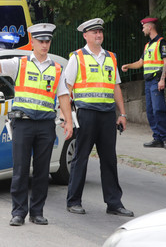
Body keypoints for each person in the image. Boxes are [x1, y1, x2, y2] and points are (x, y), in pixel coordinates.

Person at [0, 23, 63, 227]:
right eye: (40, 41)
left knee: (42, 172)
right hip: (23, 123)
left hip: (45, 124)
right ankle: (18, 212)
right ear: (32, 42)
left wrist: (68, 121)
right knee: (21, 169)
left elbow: (64, 97)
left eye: (47, 41)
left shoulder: (57, 68)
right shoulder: (20, 63)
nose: (44, 44)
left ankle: (37, 212)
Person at [57, 18, 134, 217]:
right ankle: (73, 201)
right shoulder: (77, 57)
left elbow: (116, 87)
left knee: (109, 160)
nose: (98, 35)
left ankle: (114, 203)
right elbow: (67, 88)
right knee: (80, 157)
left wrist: (122, 114)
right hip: (86, 114)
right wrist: (67, 116)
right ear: (85, 35)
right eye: (94, 32)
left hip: (108, 114)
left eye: (100, 31)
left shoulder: (111, 57)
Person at [121, 17, 166, 150]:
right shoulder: (147, 45)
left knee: (158, 109)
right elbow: (140, 63)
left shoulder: (161, 42)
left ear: (150, 27)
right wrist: (128, 66)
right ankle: (157, 138)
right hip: (148, 82)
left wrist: (162, 79)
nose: (142, 29)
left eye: (143, 27)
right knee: (150, 111)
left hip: (156, 80)